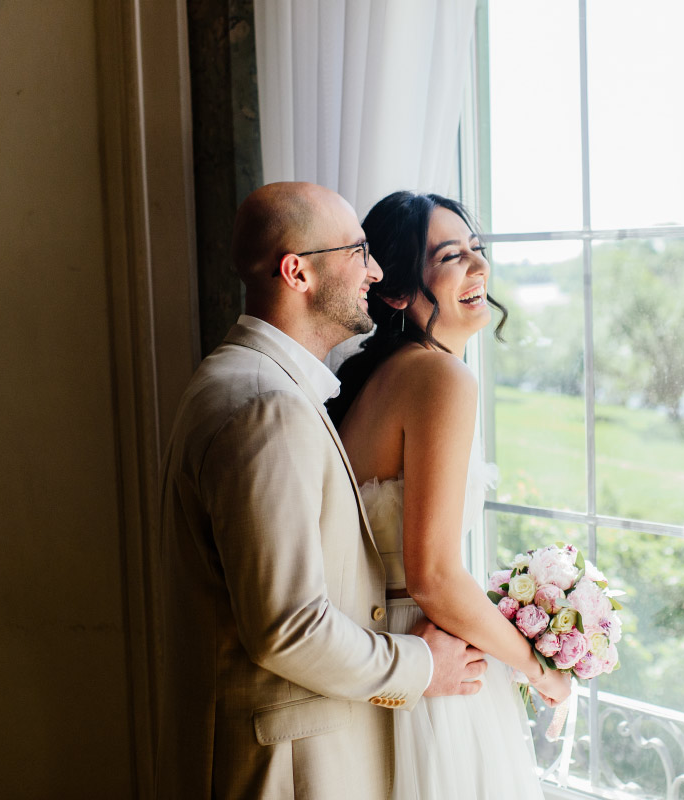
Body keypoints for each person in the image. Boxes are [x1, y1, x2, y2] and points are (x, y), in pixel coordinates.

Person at [154, 181, 489, 799]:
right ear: (298, 272)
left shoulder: (252, 381)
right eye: (358, 251)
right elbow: (288, 627)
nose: (376, 269)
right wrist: (423, 666)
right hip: (284, 767)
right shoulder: (266, 406)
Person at [330, 191, 572, 799]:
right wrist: (537, 666)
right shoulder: (440, 377)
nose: (477, 267)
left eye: (476, 249)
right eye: (449, 256)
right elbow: (433, 577)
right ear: (394, 292)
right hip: (432, 662)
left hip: (389, 653)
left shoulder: (382, 378)